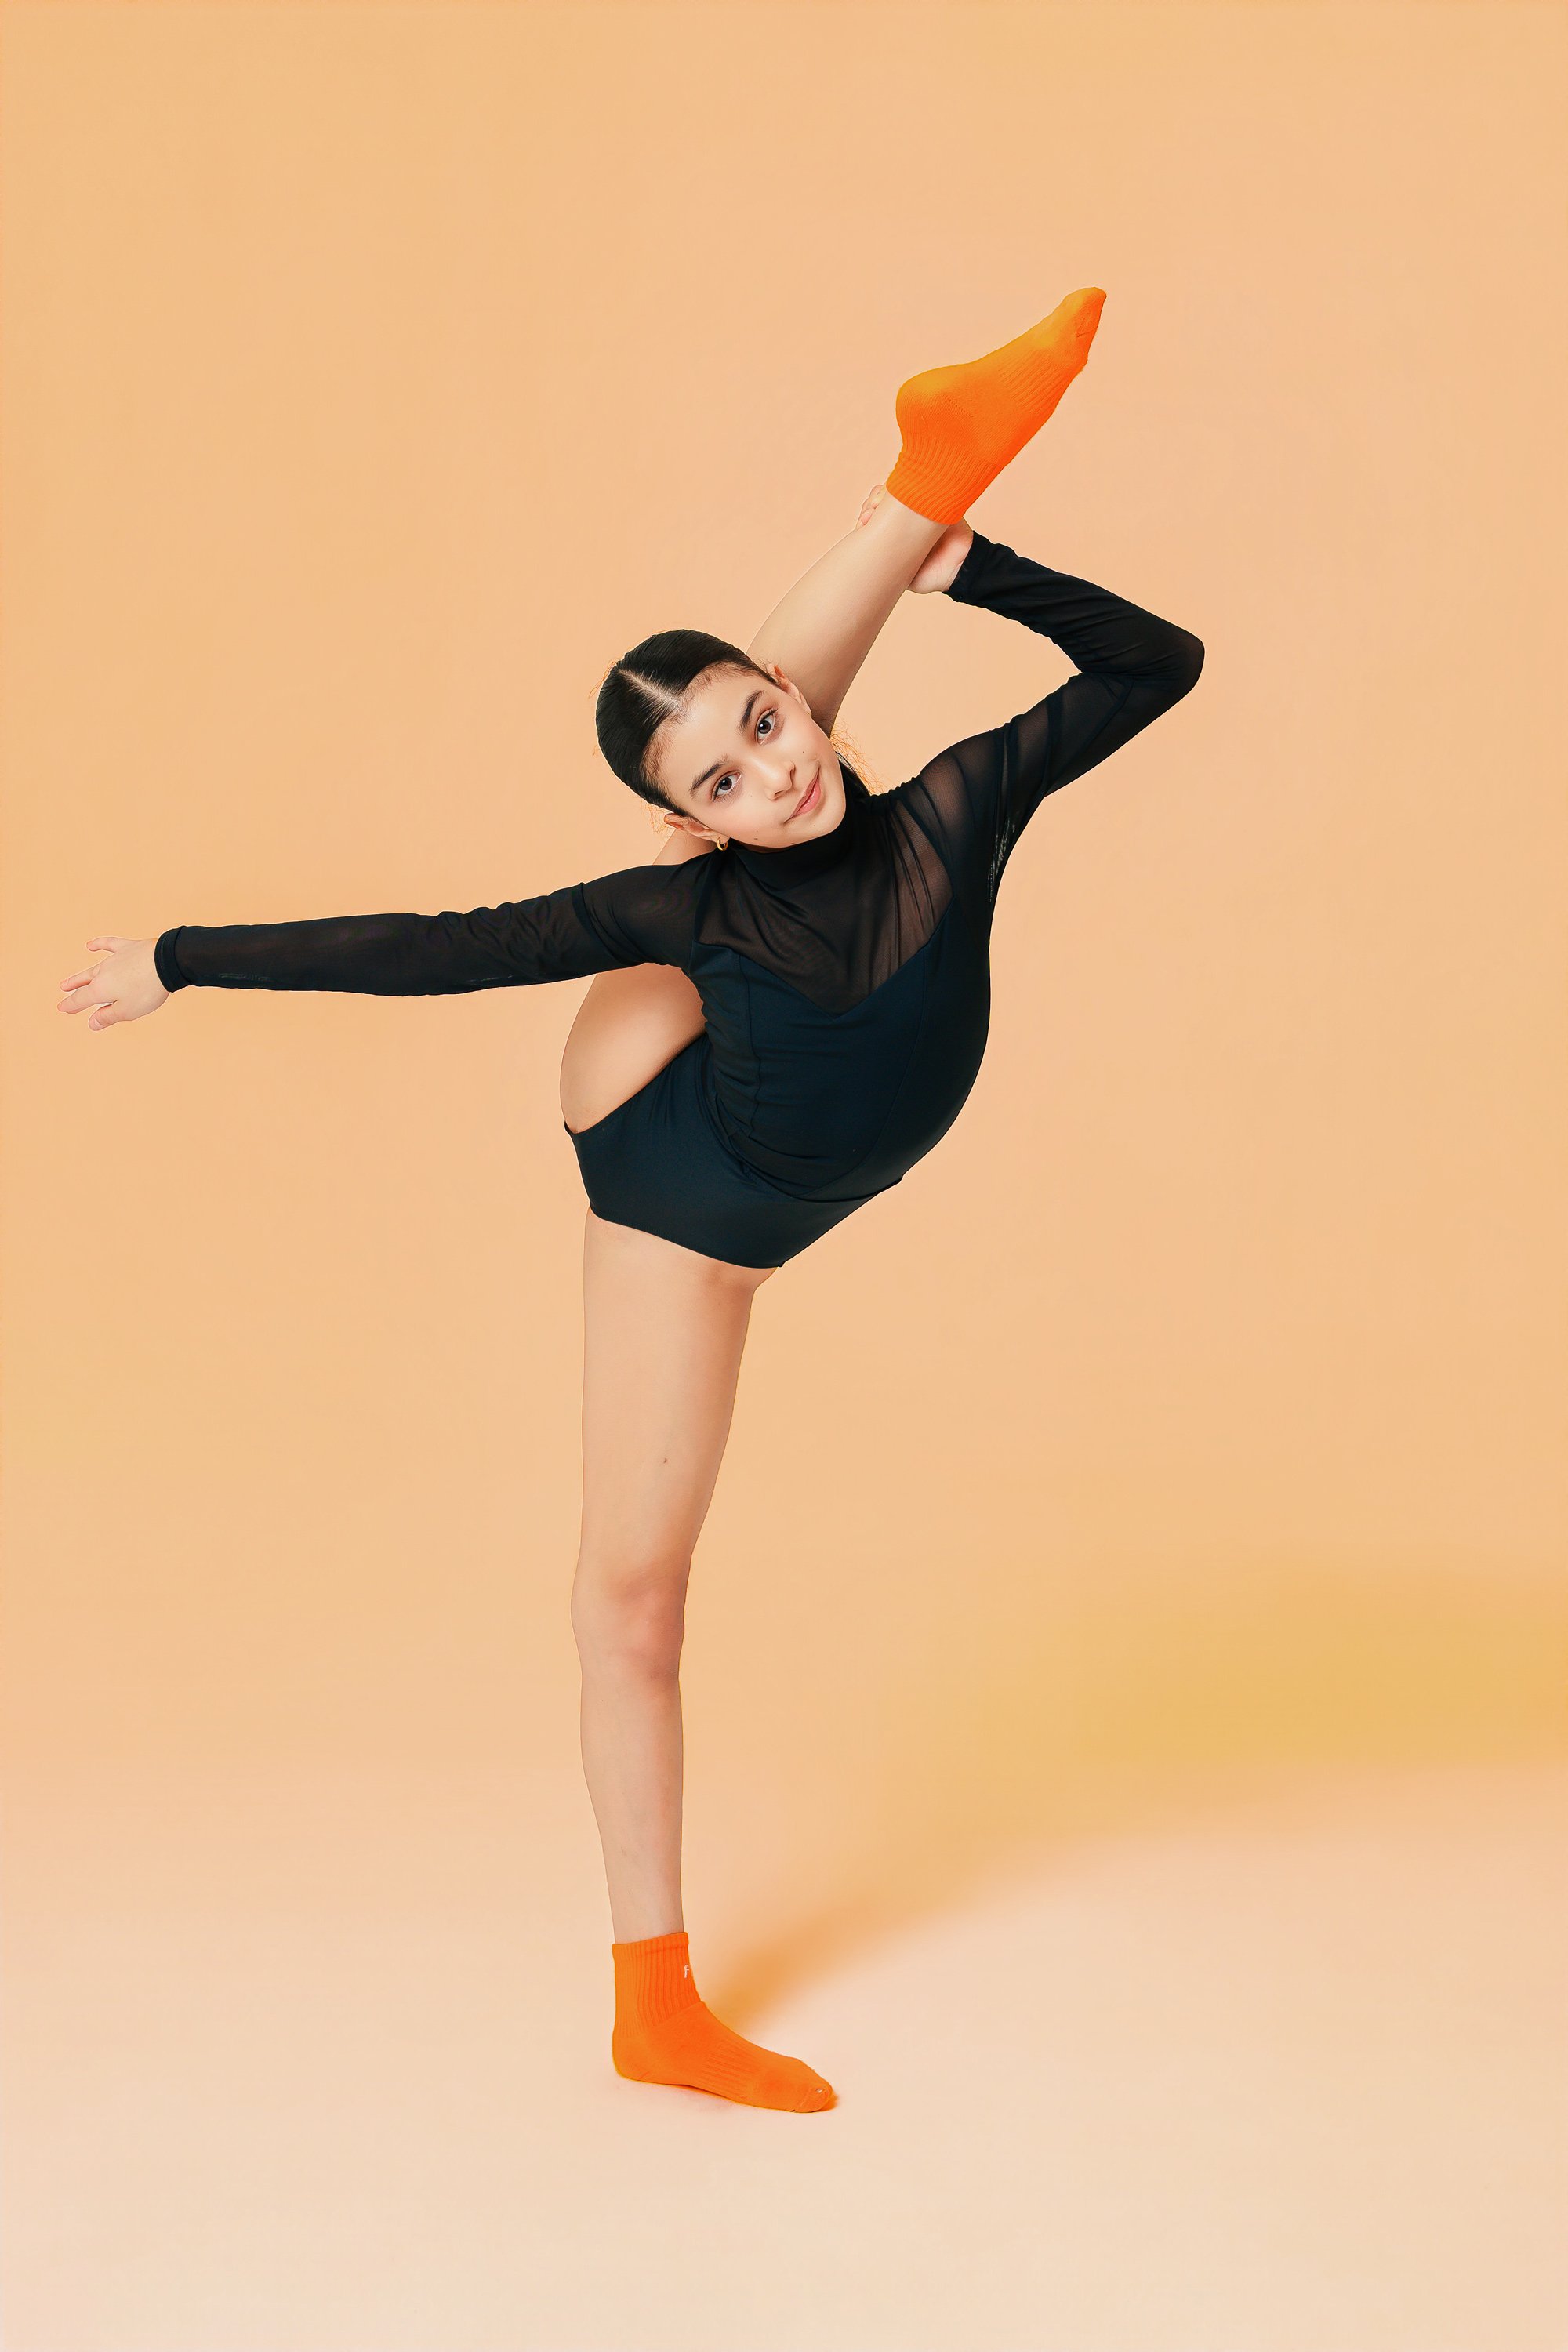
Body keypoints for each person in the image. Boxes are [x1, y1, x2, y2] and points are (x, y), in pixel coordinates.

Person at [56, 289, 1203, 2113]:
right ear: (691, 826)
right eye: (726, 781)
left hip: (791, 1138)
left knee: (781, 775)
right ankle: (651, 2000)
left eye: (766, 723)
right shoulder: (683, 896)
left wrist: (972, 573)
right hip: (680, 1183)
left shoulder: (958, 807)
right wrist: (183, 960)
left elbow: (1158, 665)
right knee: (629, 1602)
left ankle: (924, 485)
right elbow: (435, 951)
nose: (775, 763)